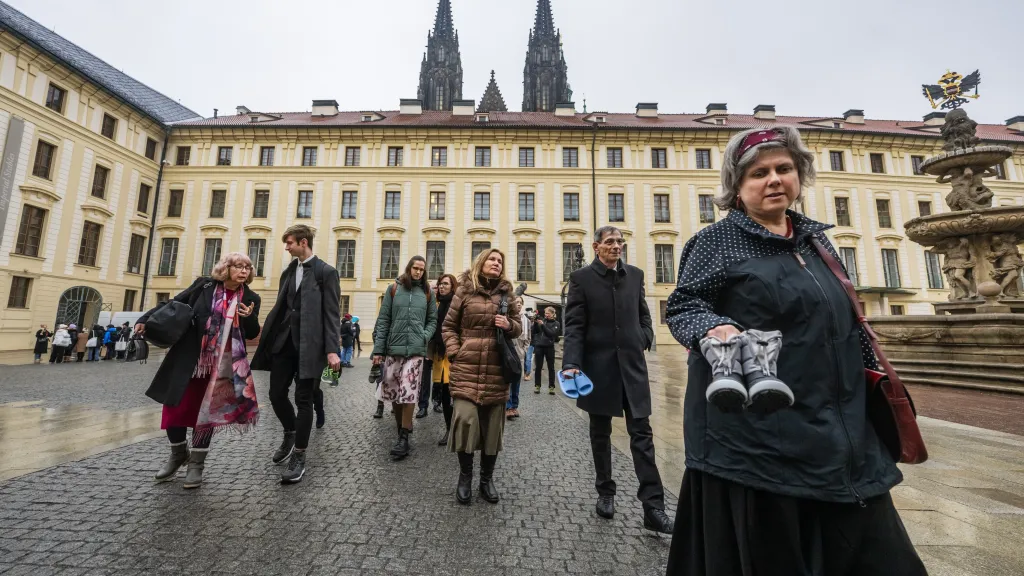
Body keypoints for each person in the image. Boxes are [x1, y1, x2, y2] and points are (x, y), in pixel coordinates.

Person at [664, 127, 926, 575]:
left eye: (784, 169)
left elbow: (848, 324)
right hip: (760, 444)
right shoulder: (715, 241)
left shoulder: (819, 244)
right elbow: (684, 307)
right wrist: (714, 328)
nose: (773, 180)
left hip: (840, 439)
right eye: (758, 173)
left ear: (799, 175)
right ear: (737, 186)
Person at [561, 225, 674, 535]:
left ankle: (653, 506)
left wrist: (644, 337)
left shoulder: (635, 275)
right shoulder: (581, 279)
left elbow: (644, 315)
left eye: (620, 241)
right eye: (610, 242)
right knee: (600, 433)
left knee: (643, 435)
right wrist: (571, 362)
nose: (616, 246)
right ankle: (606, 492)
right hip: (599, 369)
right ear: (596, 246)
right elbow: (573, 326)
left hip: (633, 370)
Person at [136, 252, 261, 489]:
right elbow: (175, 302)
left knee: (206, 415)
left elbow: (252, 333)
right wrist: (145, 318)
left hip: (222, 365)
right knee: (174, 408)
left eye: (248, 267)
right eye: (239, 266)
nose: (244, 271)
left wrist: (250, 316)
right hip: (190, 358)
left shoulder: (251, 296)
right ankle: (177, 454)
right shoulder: (204, 286)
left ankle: (196, 465)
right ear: (226, 268)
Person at [251, 224, 341, 484]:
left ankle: (299, 455)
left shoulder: (326, 272)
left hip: (310, 347)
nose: (287, 247)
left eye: (289, 242)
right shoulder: (289, 271)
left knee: (304, 400)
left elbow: (332, 314)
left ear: (303, 242)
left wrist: (332, 349)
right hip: (283, 343)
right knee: (276, 394)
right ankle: (290, 431)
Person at [442, 249, 522, 505]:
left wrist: (509, 325)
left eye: (500, 260)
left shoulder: (506, 294)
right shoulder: (464, 291)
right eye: (492, 259)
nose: (497, 263)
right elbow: (448, 327)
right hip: (467, 368)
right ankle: (465, 477)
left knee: (491, 430)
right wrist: (456, 353)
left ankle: (486, 479)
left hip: (497, 370)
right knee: (465, 421)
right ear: (481, 262)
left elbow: (517, 327)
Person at [372, 256, 437, 460]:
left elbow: (432, 320)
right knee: (393, 393)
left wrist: (423, 337)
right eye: (415, 268)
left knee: (408, 392)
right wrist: (378, 351)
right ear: (408, 268)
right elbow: (383, 320)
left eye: (421, 269)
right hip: (393, 349)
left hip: (416, 351)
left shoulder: (427, 292)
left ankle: (404, 436)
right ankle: (402, 428)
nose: (418, 272)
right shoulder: (394, 289)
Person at [430, 273, 458, 444]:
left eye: (446, 284)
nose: (442, 286)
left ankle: (456, 429)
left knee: (455, 394)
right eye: (440, 283)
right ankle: (449, 429)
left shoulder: (456, 303)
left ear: (452, 286)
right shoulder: (437, 303)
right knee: (444, 393)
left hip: (454, 355)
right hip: (440, 354)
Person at [505, 297, 530, 419]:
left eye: (520, 303)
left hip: (520, 354)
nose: (518, 304)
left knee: (516, 382)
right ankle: (508, 407)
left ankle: (514, 406)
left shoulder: (526, 320)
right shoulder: (508, 316)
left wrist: (525, 351)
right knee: (508, 381)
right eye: (516, 302)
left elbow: (528, 338)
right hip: (509, 353)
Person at [531, 306, 559, 395]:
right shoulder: (542, 321)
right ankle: (537, 386)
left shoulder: (556, 323)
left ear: (553, 314)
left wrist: (542, 325)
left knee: (551, 368)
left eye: (548, 313)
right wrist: (535, 323)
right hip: (539, 347)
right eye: (545, 313)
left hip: (549, 347)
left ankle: (551, 387)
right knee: (538, 367)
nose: (546, 315)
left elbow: (551, 334)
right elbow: (534, 331)